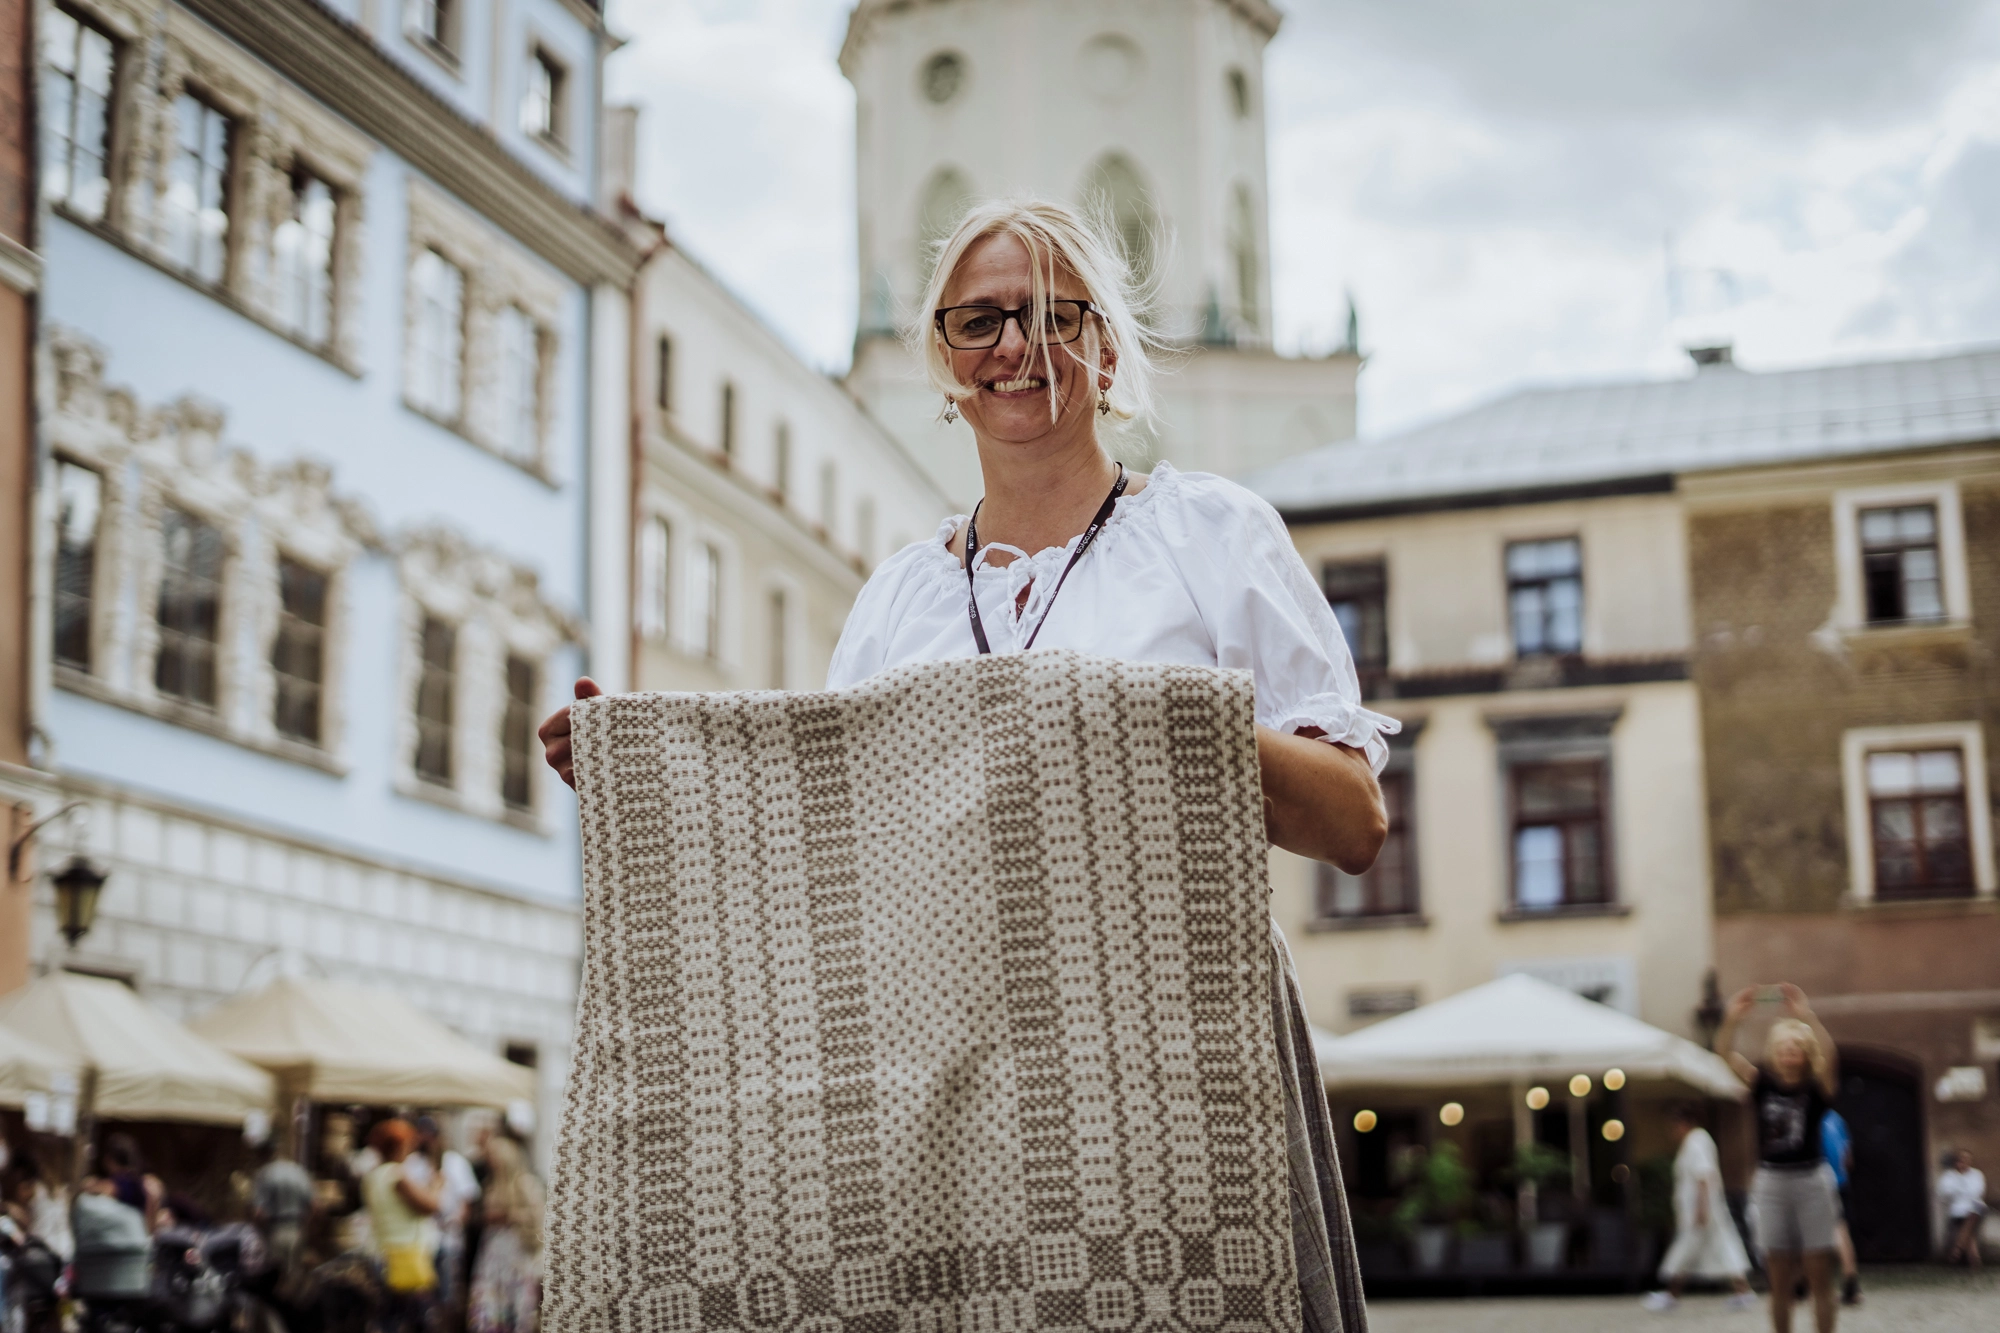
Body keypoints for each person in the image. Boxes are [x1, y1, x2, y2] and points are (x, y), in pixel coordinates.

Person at [539, 197, 1394, 1333]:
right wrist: (657, 780)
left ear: (1103, 345)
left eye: (1049, 314)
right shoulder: (902, 595)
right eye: (977, 321)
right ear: (942, 362)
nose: (1013, 347)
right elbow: (830, 862)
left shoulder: (1212, 535)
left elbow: (1351, 822)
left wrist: (1141, 720)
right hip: (946, 1083)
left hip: (1172, 1061)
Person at [1717, 983, 1842, 1333]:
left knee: (1820, 1278)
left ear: (1805, 1054)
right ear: (1774, 1052)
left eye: (1796, 1049)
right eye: (1784, 1049)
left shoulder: (1817, 1089)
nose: (1789, 1055)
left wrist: (1806, 1016)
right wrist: (1732, 1020)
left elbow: (1831, 1057)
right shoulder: (1761, 1084)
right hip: (1771, 1182)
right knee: (1780, 1282)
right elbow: (1725, 1053)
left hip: (1810, 1180)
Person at [1643, 1104, 1756, 1313]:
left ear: (1683, 1124)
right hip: (1701, 1208)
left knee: (1687, 1249)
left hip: (1702, 1209)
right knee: (1722, 1246)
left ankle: (1671, 1294)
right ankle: (1742, 1291)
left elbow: (1704, 1176)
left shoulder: (1697, 1141)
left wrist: (1701, 1208)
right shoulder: (1695, 1141)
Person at [363, 1119, 442, 1333]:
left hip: (383, 1251)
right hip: (405, 1255)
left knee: (390, 1314)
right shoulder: (397, 1176)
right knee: (417, 1318)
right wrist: (436, 1185)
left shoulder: (373, 1176)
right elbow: (431, 1205)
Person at [406, 1116, 480, 1330]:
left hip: (448, 1239)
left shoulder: (455, 1162)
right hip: (421, 1240)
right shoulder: (412, 1164)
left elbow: (467, 1198)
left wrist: (457, 1219)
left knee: (448, 1293)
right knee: (422, 1294)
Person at [466, 1137, 543, 1333]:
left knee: (515, 1301)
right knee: (492, 1301)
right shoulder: (491, 1184)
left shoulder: (525, 1183)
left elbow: (538, 1217)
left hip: (516, 1252)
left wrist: (508, 1215)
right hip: (494, 1253)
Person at [250, 1142, 316, 1280]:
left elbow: (259, 1213)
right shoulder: (299, 1171)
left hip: (276, 1230)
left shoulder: (266, 1173)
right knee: (295, 1278)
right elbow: (315, 1206)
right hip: (297, 1230)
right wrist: (306, 1230)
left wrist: (258, 1234)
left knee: (276, 1279)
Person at [1819, 1108, 1860, 1305]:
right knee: (1840, 1228)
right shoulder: (1836, 1118)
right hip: (1840, 1182)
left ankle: (1804, 1286)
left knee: (1808, 1232)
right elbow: (1848, 1158)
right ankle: (1850, 1281)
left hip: (1816, 1180)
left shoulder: (1808, 1116)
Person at [1939, 1148, 1987, 1268]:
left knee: (1971, 1217)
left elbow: (1976, 1192)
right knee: (1969, 1233)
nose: (1964, 1162)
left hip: (1975, 1207)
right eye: (1961, 1159)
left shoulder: (1976, 1174)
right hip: (1957, 1209)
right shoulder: (1949, 1175)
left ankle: (1957, 1250)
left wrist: (1958, 1190)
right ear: (1956, 1161)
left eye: (1967, 1159)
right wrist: (1961, 1190)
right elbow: (1944, 1192)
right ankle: (1974, 1260)